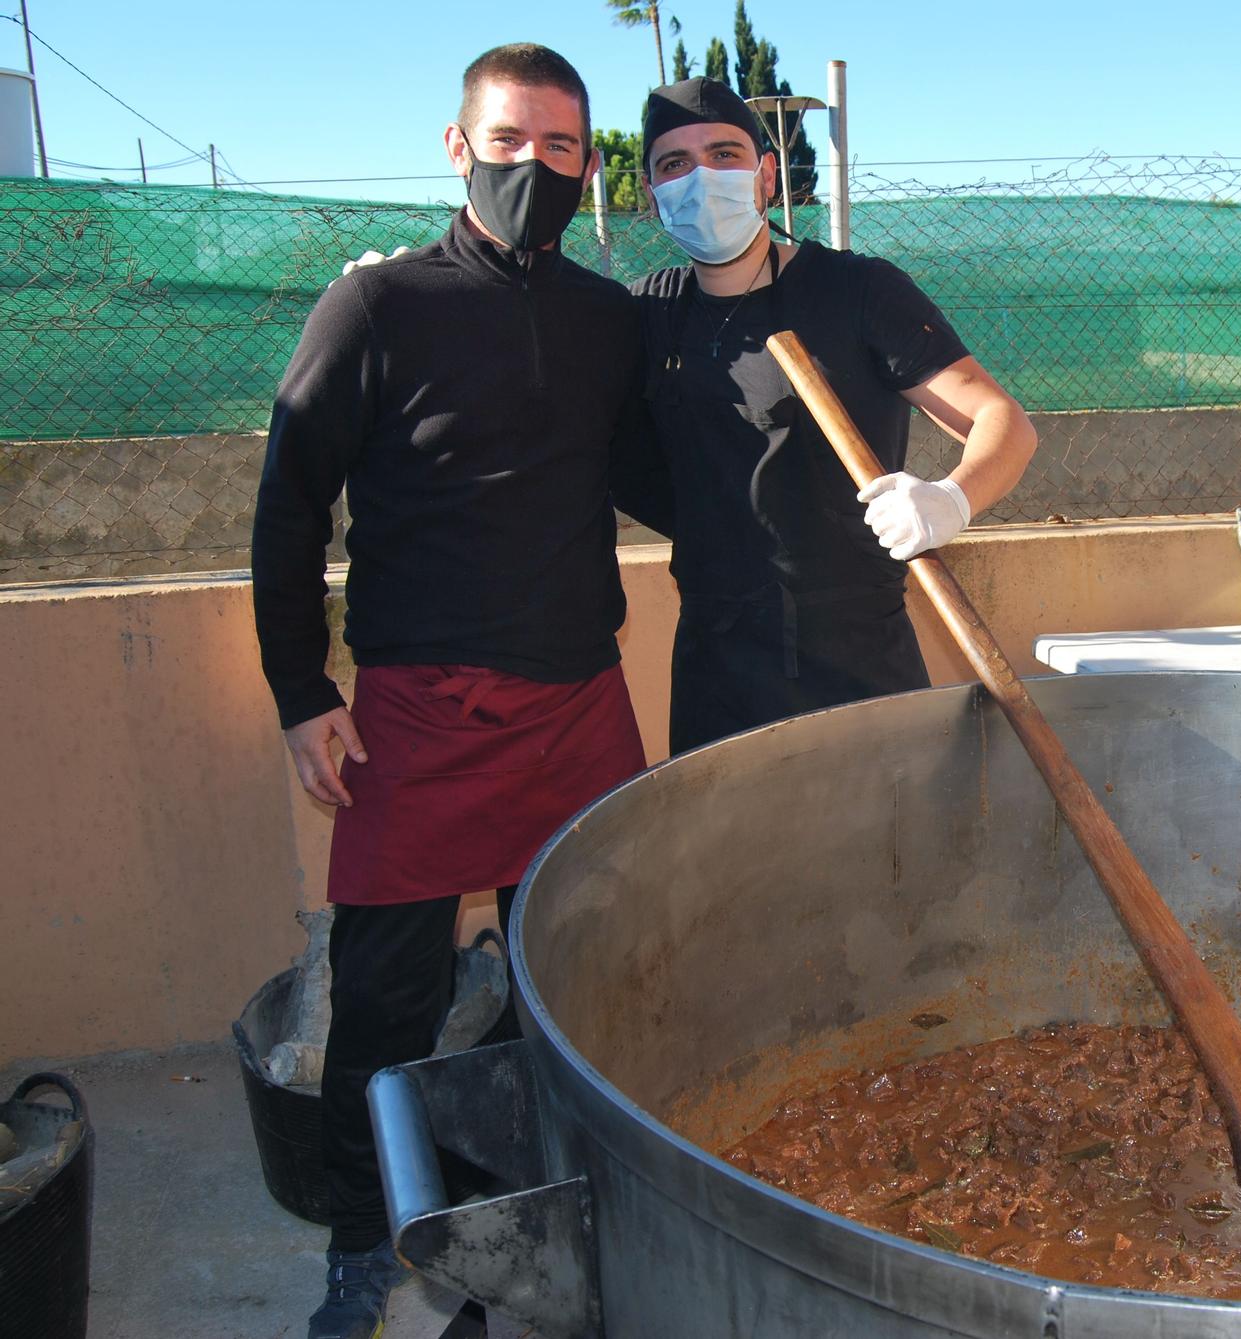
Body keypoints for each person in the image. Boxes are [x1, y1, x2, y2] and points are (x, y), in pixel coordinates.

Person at [250, 44, 667, 1339]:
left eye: (559, 148)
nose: (531, 169)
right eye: (509, 141)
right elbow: (289, 499)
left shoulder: (608, 320)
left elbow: (664, 477)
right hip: (418, 719)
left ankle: (549, 1236)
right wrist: (298, 687)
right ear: (455, 146)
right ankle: (361, 1242)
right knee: (386, 1002)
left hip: (578, 705)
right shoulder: (375, 307)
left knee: (585, 982)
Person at [632, 77, 1038, 754]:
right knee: (730, 861)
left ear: (766, 176)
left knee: (884, 855)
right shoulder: (644, 315)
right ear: (651, 196)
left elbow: (1002, 421)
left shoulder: (857, 291)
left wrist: (951, 499)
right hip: (714, 671)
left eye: (724, 154)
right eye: (674, 164)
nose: (700, 177)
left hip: (857, 663)